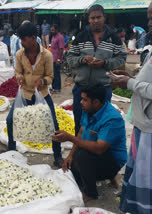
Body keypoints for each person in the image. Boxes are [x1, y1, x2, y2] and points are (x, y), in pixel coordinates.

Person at [53, 85, 127, 203]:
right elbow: (82, 131)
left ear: (96, 102)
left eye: (85, 99)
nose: (81, 102)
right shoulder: (89, 109)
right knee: (74, 174)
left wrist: (69, 138)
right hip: (96, 154)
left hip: (112, 160)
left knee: (82, 155)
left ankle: (91, 193)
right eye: (81, 98)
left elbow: (99, 149)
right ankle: (106, 176)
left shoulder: (112, 119)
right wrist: (70, 155)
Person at [6, 22, 63, 168]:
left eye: (24, 39)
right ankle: (11, 151)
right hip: (25, 93)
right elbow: (17, 71)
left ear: (33, 38)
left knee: (53, 125)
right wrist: (19, 77)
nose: (22, 42)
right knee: (10, 120)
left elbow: (50, 76)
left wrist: (43, 81)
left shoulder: (47, 55)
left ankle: (58, 156)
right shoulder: (20, 54)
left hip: (42, 94)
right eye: (21, 39)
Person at [113, 4, 152, 213]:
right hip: (143, 123)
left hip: (149, 128)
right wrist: (131, 79)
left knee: (146, 180)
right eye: (149, 17)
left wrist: (130, 83)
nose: (149, 22)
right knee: (139, 175)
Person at [67, 4, 127, 136]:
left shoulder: (114, 38)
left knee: (101, 124)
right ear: (88, 19)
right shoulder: (81, 36)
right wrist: (82, 60)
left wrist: (105, 63)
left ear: (104, 17)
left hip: (103, 89)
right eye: (92, 18)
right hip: (81, 89)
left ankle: (98, 152)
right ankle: (79, 151)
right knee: (80, 123)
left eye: (98, 17)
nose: (95, 20)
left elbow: (122, 57)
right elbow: (70, 58)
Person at [50, 24, 64, 93]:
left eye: (53, 30)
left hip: (57, 59)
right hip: (52, 59)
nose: (51, 31)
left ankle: (57, 89)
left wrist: (58, 59)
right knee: (53, 74)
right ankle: (53, 87)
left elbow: (61, 49)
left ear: (56, 30)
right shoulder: (53, 37)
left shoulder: (60, 37)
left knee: (57, 74)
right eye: (51, 30)